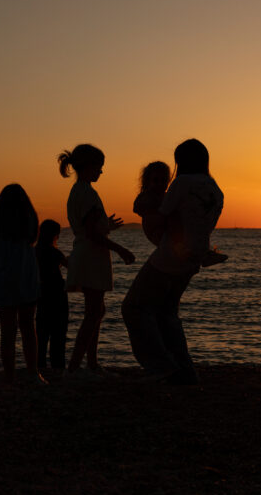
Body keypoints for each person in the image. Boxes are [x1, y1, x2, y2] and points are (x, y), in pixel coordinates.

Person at [122, 139, 224, 384]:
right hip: (193, 260)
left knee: (134, 308)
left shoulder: (182, 183)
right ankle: (184, 371)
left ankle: (160, 366)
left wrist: (147, 214)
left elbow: (162, 215)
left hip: (169, 257)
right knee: (167, 313)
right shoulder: (216, 190)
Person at [58, 143, 135, 375]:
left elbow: (90, 228)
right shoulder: (87, 193)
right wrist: (120, 249)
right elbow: (92, 234)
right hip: (91, 256)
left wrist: (106, 226)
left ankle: (91, 364)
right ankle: (75, 367)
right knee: (93, 313)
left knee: (97, 311)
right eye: (99, 166)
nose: (101, 171)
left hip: (87, 254)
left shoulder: (79, 192)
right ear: (89, 166)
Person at [0, 183, 45, 384]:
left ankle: (10, 377)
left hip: (4, 279)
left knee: (7, 331)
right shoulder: (29, 218)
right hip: (27, 277)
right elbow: (33, 239)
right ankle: (33, 373)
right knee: (28, 328)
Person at [133, 160, 228, 266]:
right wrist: (160, 209)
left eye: (163, 180)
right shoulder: (147, 196)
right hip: (157, 232)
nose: (160, 184)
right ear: (147, 182)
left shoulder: (165, 195)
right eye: (155, 180)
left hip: (167, 230)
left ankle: (203, 253)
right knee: (174, 215)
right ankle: (182, 248)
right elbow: (137, 208)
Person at [35, 219, 68, 371]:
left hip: (41, 294)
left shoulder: (35, 251)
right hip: (57, 294)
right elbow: (70, 266)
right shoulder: (55, 253)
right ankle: (58, 365)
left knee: (41, 332)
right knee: (58, 333)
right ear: (54, 235)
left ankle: (39, 364)